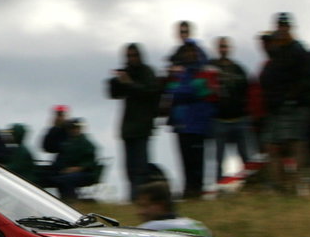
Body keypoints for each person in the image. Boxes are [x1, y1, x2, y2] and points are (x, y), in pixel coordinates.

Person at [259, 13, 310, 191]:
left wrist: (292, 96)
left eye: (285, 25)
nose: (282, 28)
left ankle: (297, 183)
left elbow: (305, 78)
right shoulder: (276, 51)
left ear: (290, 27)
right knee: (273, 146)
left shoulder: (297, 50)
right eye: (280, 25)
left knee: (296, 145)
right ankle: (279, 185)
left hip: (294, 106)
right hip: (275, 107)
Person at [108, 44, 162, 200]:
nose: (131, 59)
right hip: (128, 127)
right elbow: (114, 94)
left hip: (143, 126)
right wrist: (116, 81)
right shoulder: (127, 72)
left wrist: (129, 83)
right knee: (129, 168)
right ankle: (133, 197)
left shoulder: (147, 72)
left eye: (134, 55)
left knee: (141, 168)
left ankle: (139, 197)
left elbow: (150, 92)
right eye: (129, 56)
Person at [164, 41, 217, 199]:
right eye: (186, 52)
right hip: (181, 124)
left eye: (191, 51)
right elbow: (171, 90)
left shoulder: (203, 72)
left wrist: (181, 87)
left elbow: (197, 90)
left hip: (198, 124)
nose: (189, 55)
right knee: (185, 161)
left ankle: (197, 190)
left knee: (197, 162)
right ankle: (189, 190)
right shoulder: (181, 73)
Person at [210, 38, 257, 188]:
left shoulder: (238, 69)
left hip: (239, 119)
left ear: (229, 48)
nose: (223, 49)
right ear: (217, 48)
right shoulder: (210, 69)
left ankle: (250, 184)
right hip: (219, 120)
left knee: (245, 157)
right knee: (219, 159)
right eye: (221, 46)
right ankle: (219, 185)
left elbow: (248, 91)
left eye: (225, 46)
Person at [45, 118, 99, 199]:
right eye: (71, 128)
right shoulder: (67, 142)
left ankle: (71, 200)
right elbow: (49, 146)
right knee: (55, 178)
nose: (74, 130)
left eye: (76, 128)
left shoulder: (85, 143)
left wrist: (75, 169)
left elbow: (88, 162)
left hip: (85, 173)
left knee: (66, 179)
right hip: (65, 172)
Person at [133, 181, 211, 236]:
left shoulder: (148, 229)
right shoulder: (198, 226)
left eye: (144, 206)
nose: (140, 212)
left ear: (160, 205)